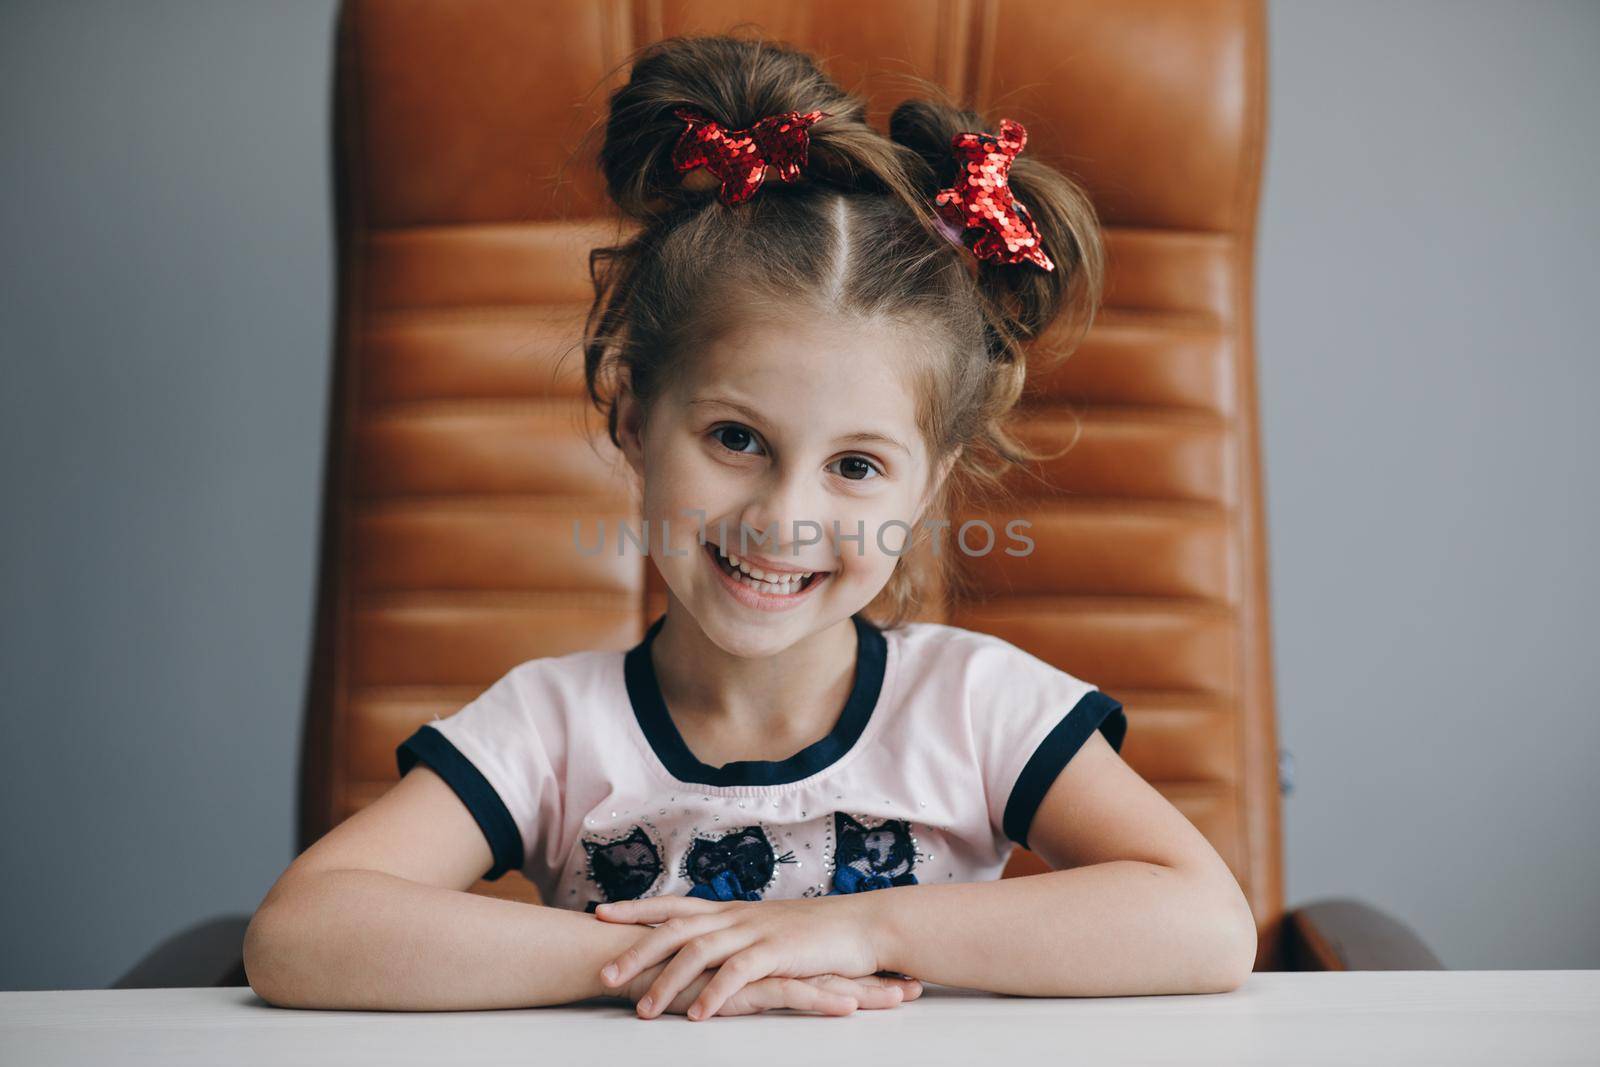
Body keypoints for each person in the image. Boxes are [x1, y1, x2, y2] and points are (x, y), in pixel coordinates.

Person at [243, 33, 1256, 1019]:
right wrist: (671, 956)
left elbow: (1205, 922)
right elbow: (302, 931)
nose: (783, 518)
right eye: (736, 437)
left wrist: (860, 928)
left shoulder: (977, 708)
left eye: (856, 466)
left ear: (929, 483)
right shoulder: (551, 727)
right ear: (635, 419)